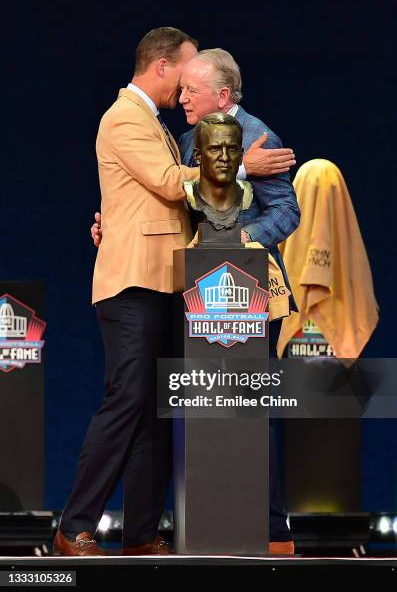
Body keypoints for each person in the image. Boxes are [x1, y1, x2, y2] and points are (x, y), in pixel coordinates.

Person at [55, 28, 295, 558]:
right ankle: (74, 526)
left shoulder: (186, 127)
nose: (184, 93)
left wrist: (114, 217)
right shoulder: (126, 118)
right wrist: (241, 167)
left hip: (186, 285)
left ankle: (142, 534)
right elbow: (170, 183)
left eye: (195, 86)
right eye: (182, 80)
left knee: (172, 408)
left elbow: (175, 201)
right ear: (162, 67)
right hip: (140, 281)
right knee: (128, 401)